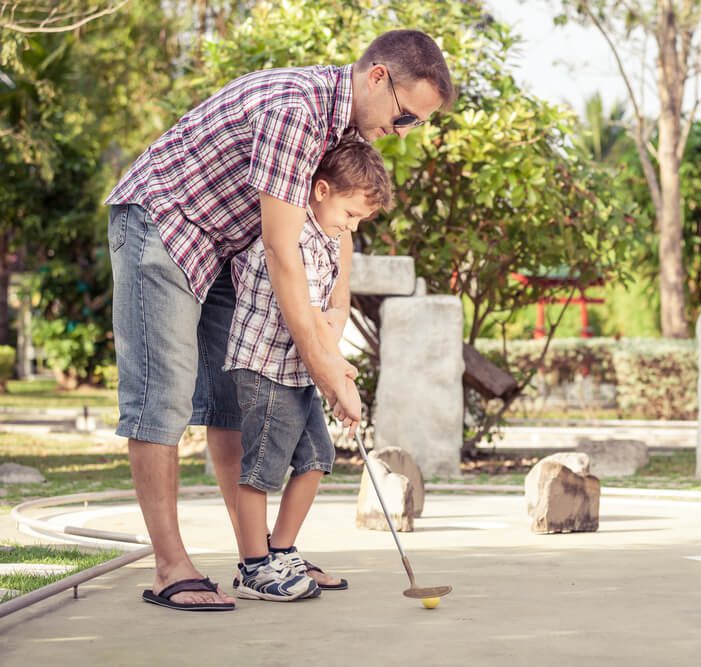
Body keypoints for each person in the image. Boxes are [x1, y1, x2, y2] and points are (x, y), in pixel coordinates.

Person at [106, 29, 455, 611]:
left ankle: (257, 559)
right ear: (377, 77)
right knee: (160, 396)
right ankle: (171, 567)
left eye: (415, 125)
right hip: (163, 223)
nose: (402, 133)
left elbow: (336, 240)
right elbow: (282, 247)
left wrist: (332, 344)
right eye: (405, 118)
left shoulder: (342, 128)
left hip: (224, 248)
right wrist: (320, 365)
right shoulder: (295, 110)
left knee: (228, 402)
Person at [226, 141, 392, 601]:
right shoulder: (290, 234)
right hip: (265, 365)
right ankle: (253, 567)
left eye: (360, 220)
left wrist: (332, 361)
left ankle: (281, 552)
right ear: (321, 190)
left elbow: (332, 310)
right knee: (261, 469)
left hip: (299, 370)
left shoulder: (331, 238)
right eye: (349, 213)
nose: (352, 226)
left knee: (318, 457)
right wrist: (339, 376)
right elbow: (304, 315)